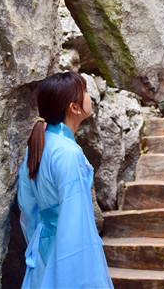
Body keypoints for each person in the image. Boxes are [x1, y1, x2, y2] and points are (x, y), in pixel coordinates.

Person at [17, 72, 113, 288]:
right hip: (65, 254)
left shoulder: (37, 146)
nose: (89, 96)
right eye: (85, 92)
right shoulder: (68, 152)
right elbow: (74, 218)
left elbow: (27, 204)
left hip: (43, 249)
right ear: (74, 107)